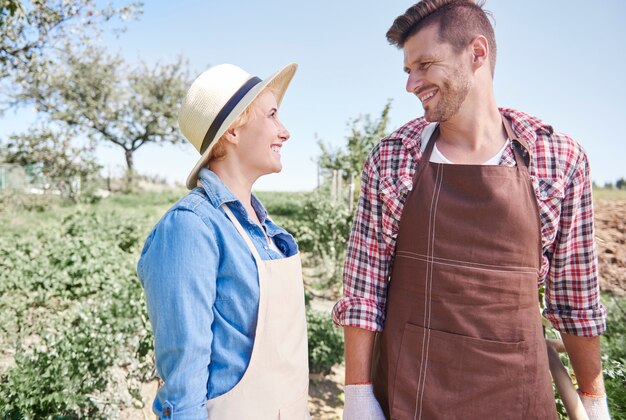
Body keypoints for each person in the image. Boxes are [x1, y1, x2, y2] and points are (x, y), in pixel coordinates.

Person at [332, 1, 610, 419]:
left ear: (477, 53)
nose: (412, 83)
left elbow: (575, 300)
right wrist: (358, 397)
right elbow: (363, 290)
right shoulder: (394, 158)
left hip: (515, 393)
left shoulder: (557, 159)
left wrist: (593, 401)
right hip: (411, 391)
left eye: (425, 64)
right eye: (408, 70)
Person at [137, 63, 310, 419]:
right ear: (232, 131)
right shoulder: (191, 228)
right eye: (273, 115)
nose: (285, 132)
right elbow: (184, 385)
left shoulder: (264, 228)